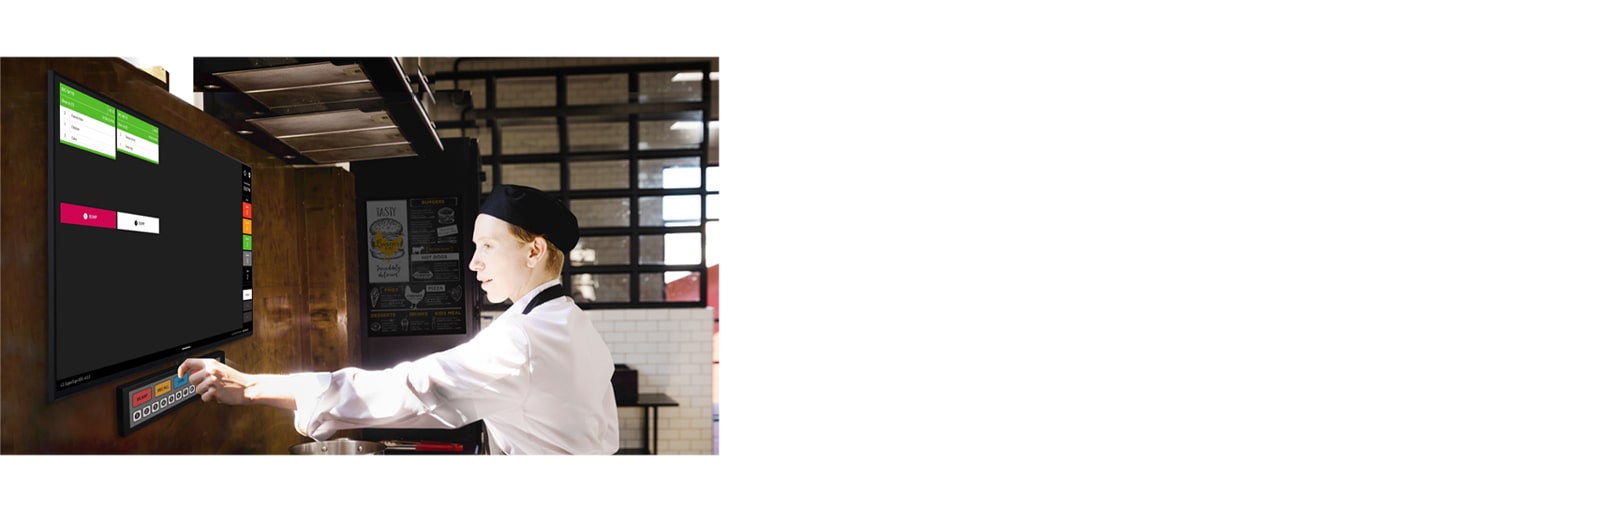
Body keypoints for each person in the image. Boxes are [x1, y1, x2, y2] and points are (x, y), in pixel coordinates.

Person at [179, 185, 620, 455]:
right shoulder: (571, 323)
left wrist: (253, 387)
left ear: (534, 250)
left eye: (486, 246)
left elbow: (413, 388)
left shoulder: (524, 339)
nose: (472, 263)